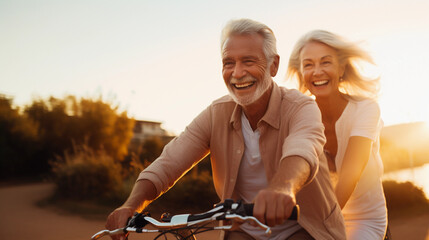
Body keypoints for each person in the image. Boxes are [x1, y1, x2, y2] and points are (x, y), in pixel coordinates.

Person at [106, 19, 346, 240]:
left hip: (304, 228)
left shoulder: (301, 107)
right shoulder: (215, 114)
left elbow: (303, 149)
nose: (237, 73)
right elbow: (168, 163)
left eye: (248, 61)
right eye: (228, 63)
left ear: (273, 65)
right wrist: (131, 205)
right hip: (244, 231)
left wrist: (283, 187)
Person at [287, 30, 388, 239]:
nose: (317, 72)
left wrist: (324, 222)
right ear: (301, 74)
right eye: (308, 65)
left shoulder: (365, 109)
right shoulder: (298, 119)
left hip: (364, 219)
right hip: (319, 218)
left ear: (341, 67)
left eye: (325, 62)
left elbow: (352, 170)